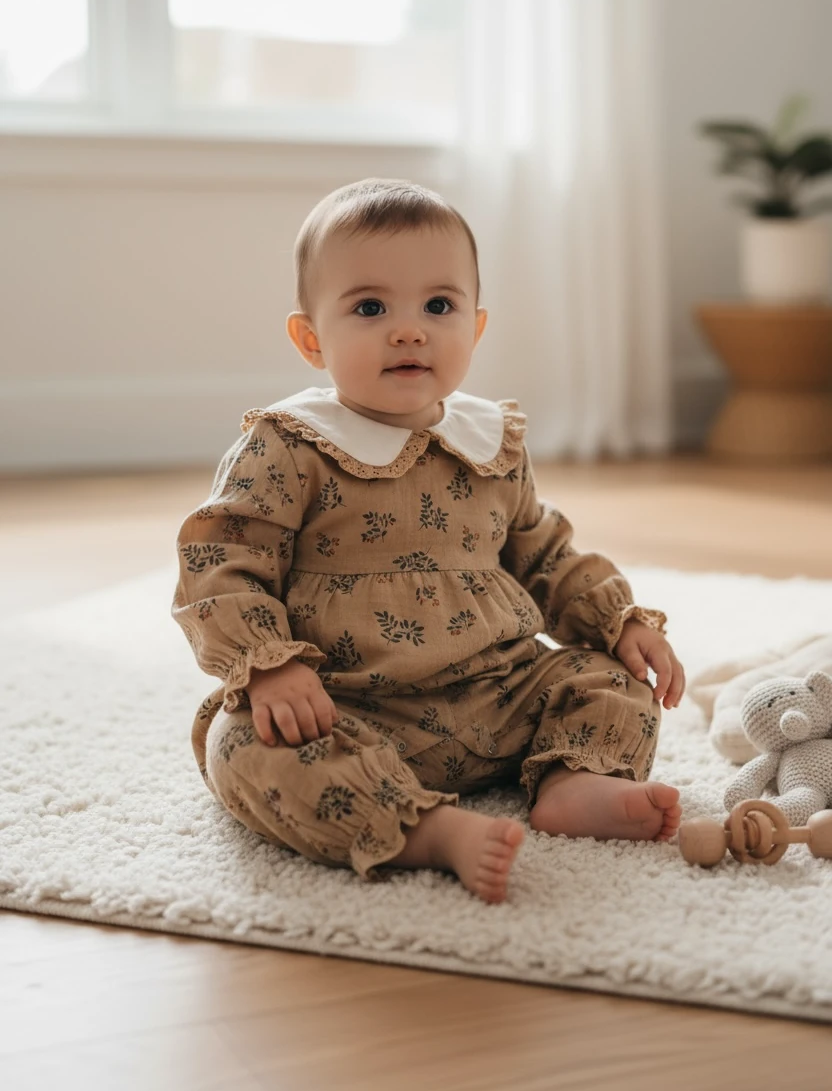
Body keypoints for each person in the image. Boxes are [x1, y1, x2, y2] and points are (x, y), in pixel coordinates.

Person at [172, 178, 686, 904]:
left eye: (438, 307)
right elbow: (218, 562)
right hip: (344, 705)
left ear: (475, 327)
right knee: (245, 749)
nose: (409, 331)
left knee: (611, 682)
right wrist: (268, 668)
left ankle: (575, 779)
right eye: (370, 308)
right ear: (311, 339)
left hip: (497, 692)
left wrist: (619, 621)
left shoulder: (490, 442)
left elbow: (542, 551)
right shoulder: (288, 446)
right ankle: (424, 831)